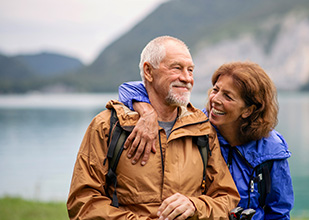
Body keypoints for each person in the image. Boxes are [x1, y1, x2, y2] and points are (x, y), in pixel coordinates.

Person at [67, 36, 240, 220]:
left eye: (190, 70)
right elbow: (83, 203)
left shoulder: (203, 129)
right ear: (148, 71)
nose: (187, 78)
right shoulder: (107, 126)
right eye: (176, 68)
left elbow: (227, 199)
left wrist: (194, 206)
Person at [119, 61, 294, 219]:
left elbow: (278, 212)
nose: (215, 100)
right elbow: (127, 89)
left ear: (248, 110)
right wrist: (147, 112)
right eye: (215, 89)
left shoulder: (271, 149)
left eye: (228, 96)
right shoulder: (195, 126)